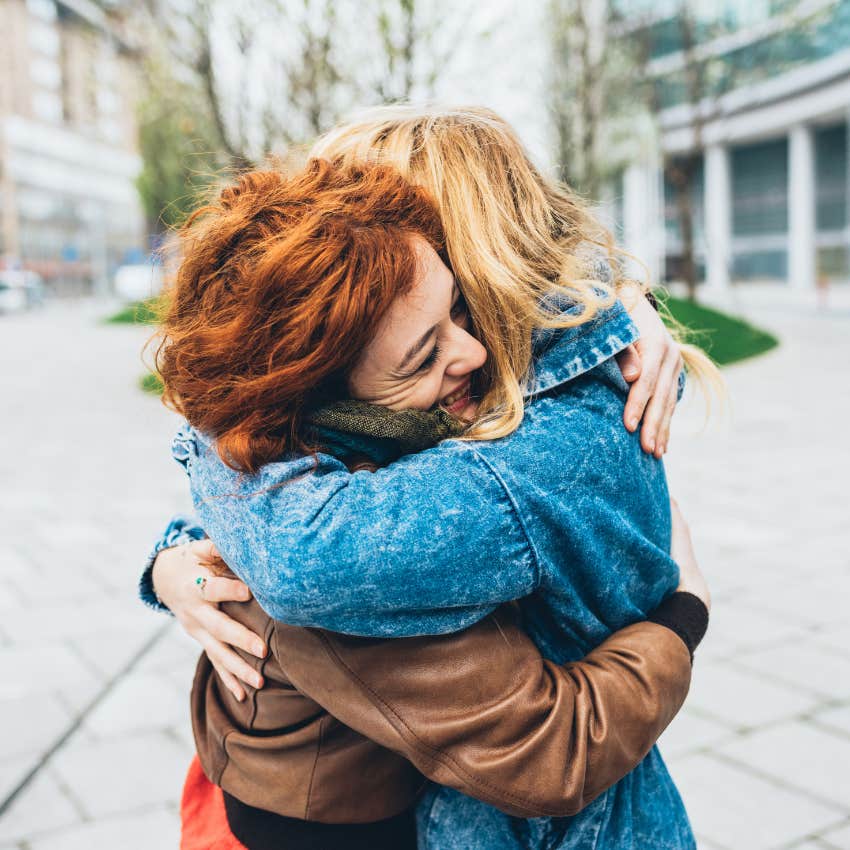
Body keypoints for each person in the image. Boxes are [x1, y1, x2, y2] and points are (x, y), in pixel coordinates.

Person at [145, 107, 719, 849]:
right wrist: (172, 563)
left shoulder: (521, 454)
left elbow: (305, 550)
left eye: (457, 303)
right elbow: (306, 518)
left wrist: (687, 611)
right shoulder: (393, 450)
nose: (470, 352)